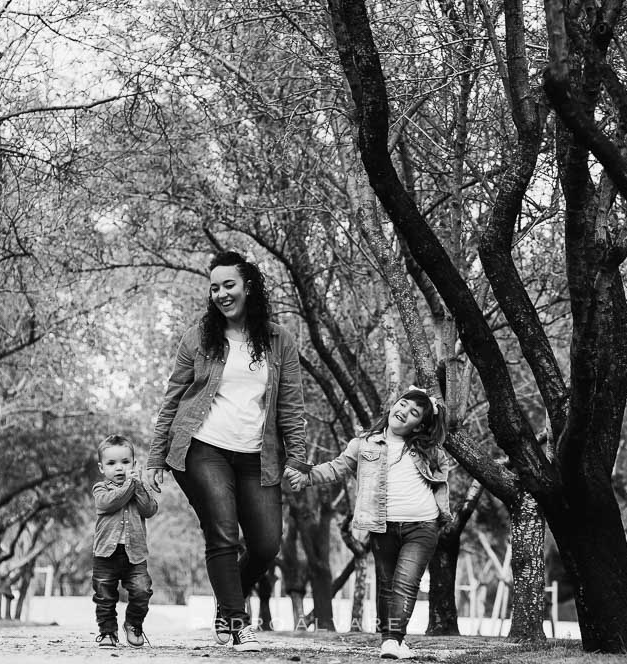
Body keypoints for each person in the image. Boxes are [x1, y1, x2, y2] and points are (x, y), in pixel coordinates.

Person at [144, 251, 310, 652]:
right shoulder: (199, 337)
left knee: (268, 543)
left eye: (228, 284)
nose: (220, 293)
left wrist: (298, 457)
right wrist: (154, 458)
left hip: (258, 455)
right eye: (214, 287)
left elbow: (291, 403)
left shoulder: (279, 339)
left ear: (248, 286)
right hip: (203, 448)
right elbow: (173, 399)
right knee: (222, 532)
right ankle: (239, 622)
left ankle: (226, 605)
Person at [286, 388, 449, 660]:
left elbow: (441, 476)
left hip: (421, 526)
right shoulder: (364, 444)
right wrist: (307, 477)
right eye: (403, 404)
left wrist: (441, 512)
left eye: (414, 413)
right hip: (382, 525)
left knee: (405, 583)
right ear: (393, 405)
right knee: (386, 585)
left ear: (419, 424)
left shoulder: (428, 449)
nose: (404, 411)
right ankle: (395, 640)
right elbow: (337, 467)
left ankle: (391, 640)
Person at [92, 434, 158, 648]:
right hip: (105, 554)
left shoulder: (139, 487)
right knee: (104, 596)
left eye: (125, 462)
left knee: (142, 590)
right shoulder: (101, 489)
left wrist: (138, 485)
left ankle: (133, 623)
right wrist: (130, 484)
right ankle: (107, 632)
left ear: (134, 464)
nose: (119, 468)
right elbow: (109, 503)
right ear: (102, 468)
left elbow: (149, 509)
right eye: (111, 463)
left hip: (135, 555)